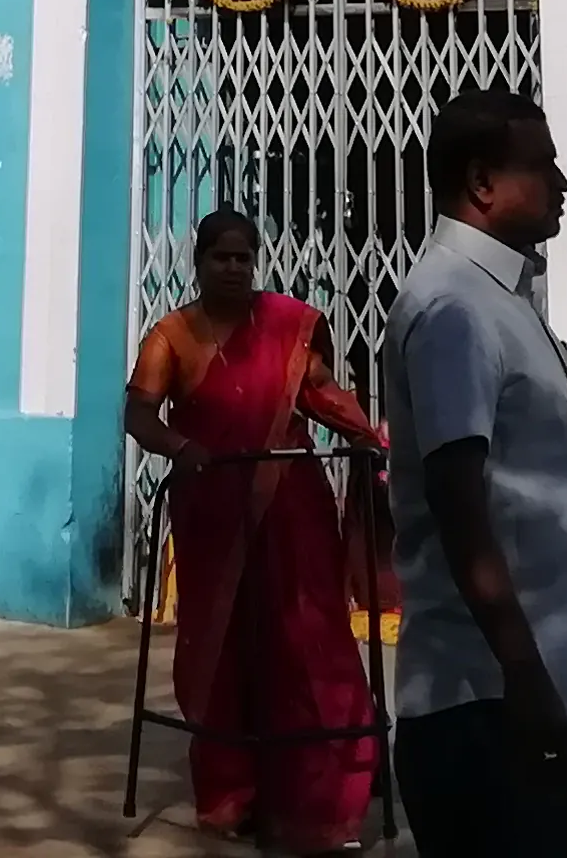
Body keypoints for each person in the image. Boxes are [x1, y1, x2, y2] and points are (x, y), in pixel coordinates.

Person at [381, 88, 567, 858]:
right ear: (482, 183)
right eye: (542, 165)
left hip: (527, 693)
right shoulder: (455, 308)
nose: (562, 182)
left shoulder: (499, 296)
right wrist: (523, 672)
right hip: (490, 704)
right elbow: (460, 502)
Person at [126, 207, 389, 851]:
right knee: (220, 648)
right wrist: (180, 446)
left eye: (245, 258)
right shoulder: (171, 337)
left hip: (289, 508)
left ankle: (327, 794)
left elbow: (321, 391)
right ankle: (230, 794)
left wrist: (367, 433)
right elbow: (138, 413)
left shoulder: (286, 325)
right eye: (223, 257)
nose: (236, 268)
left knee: (305, 641)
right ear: (199, 262)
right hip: (213, 513)